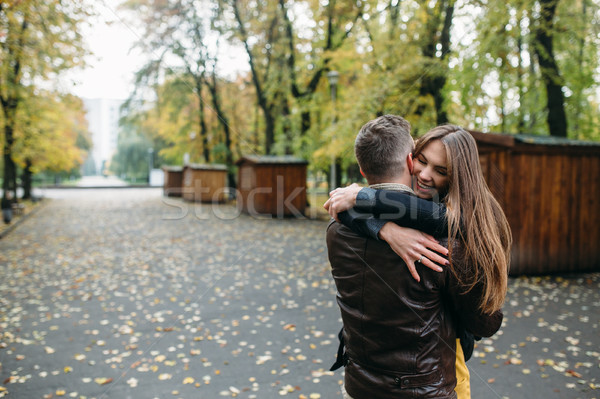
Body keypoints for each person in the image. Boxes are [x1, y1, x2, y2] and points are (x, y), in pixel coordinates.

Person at [325, 117, 508, 398]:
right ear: (410, 160)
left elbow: (483, 318)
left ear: (457, 177)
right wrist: (385, 230)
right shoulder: (388, 215)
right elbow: (343, 212)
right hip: (414, 377)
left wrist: (365, 199)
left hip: (431, 361)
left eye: (440, 170)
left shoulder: (459, 226)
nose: (423, 174)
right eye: (421, 161)